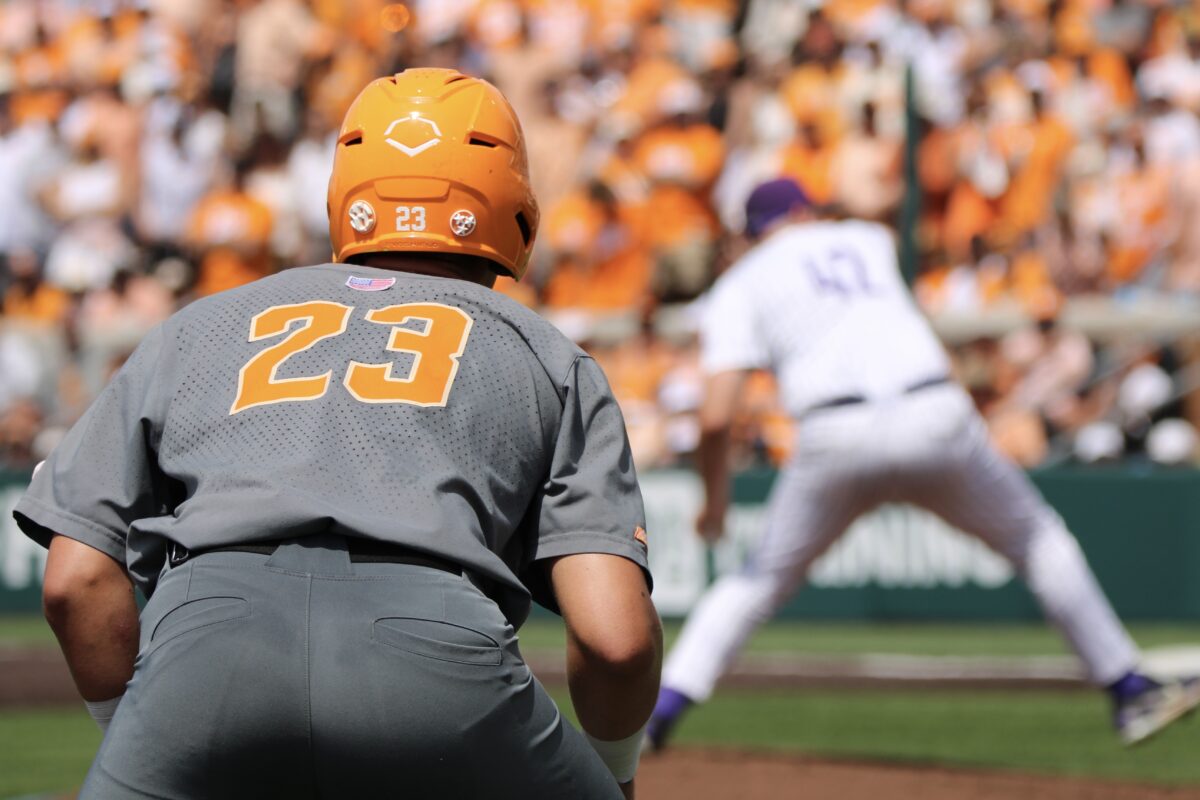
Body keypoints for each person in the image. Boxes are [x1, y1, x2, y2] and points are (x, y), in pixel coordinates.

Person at [14, 68, 662, 799]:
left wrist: (145, 729)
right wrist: (616, 780)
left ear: (344, 195)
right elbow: (616, 639)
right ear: (513, 202)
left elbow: (75, 580)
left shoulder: (199, 326)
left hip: (206, 650)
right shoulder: (549, 356)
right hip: (435, 661)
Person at [644, 178, 1200, 751]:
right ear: (806, 211)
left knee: (755, 582)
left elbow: (714, 418)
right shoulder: (865, 239)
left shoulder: (742, 281)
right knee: (1036, 539)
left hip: (835, 432)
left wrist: (714, 502)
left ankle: (658, 713)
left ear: (747, 234)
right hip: (933, 410)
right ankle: (1128, 687)